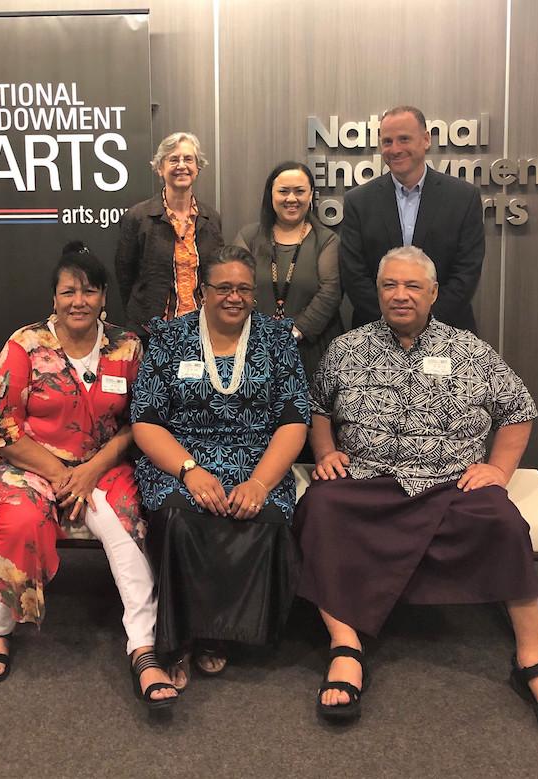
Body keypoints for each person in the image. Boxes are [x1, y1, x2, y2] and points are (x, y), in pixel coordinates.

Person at [294, 246, 538, 736]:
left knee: (504, 523)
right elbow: (318, 406)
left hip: (452, 482)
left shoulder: (471, 351)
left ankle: (533, 658)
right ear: (377, 292)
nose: (400, 295)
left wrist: (500, 470)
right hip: (370, 480)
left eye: (412, 286)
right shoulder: (346, 348)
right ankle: (345, 646)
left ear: (434, 292)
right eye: (389, 286)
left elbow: (519, 409)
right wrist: (326, 450)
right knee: (319, 506)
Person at [0, 241, 178, 710]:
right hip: (25, 463)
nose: (79, 301)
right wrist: (64, 475)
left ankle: (143, 648)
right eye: (69, 292)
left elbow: (139, 423)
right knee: (22, 521)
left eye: (89, 291)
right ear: (54, 298)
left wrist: (91, 470)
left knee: (127, 532)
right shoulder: (24, 346)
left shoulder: (127, 346)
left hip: (103, 464)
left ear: (105, 296)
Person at [131, 245, 309, 685]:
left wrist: (262, 483)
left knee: (263, 519)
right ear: (201, 290)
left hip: (258, 460)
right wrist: (190, 471)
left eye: (244, 289)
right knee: (178, 516)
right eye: (224, 287)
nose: (235, 297)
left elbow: (294, 420)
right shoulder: (170, 339)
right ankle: (182, 637)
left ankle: (219, 635)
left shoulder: (276, 338)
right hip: (182, 459)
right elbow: (146, 422)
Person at [340, 105, 485, 332]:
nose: (395, 149)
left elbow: (466, 272)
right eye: (387, 141)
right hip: (376, 334)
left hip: (447, 333)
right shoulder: (358, 201)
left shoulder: (463, 198)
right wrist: (392, 323)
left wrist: (424, 325)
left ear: (426, 139)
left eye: (404, 139)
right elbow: (354, 275)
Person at [234, 161, 343, 380]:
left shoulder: (326, 240)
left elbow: (331, 291)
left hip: (312, 349)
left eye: (300, 191)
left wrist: (296, 331)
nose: (291, 199)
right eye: (283, 191)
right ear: (270, 194)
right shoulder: (249, 237)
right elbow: (234, 286)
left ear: (311, 194)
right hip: (255, 348)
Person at [115, 132, 224, 343]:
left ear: (197, 168)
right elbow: (125, 276)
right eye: (173, 159)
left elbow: (215, 275)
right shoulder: (138, 217)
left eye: (188, 159)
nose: (181, 165)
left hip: (201, 331)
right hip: (151, 332)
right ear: (160, 168)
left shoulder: (211, 219)